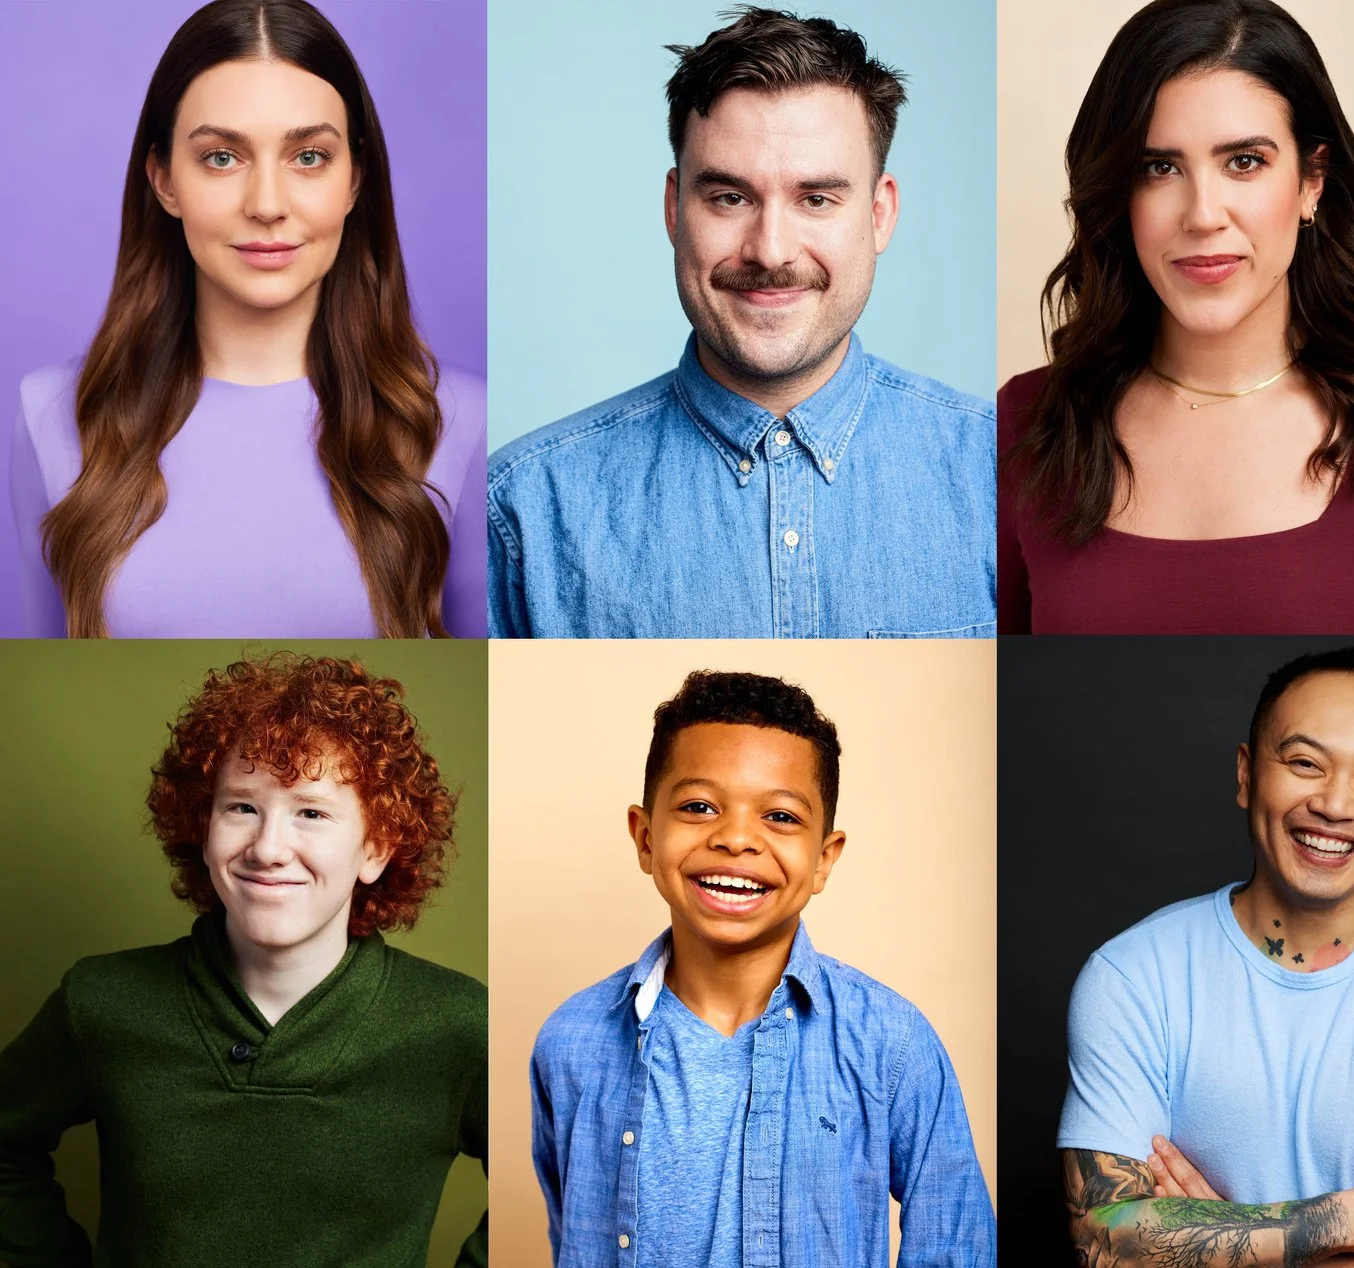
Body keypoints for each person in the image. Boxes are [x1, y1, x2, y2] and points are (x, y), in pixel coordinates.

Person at [1000, 0, 1354, 635]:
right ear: (1120, 196)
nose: (1203, 214)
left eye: (1244, 162)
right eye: (1160, 168)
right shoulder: (1021, 427)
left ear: (1312, 181)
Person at [489, 8, 995, 639]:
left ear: (880, 214)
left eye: (816, 198)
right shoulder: (525, 507)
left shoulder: (999, 468)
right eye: (730, 197)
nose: (771, 250)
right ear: (675, 209)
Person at [10, 0, 486, 639]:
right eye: (221, 158)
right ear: (163, 180)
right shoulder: (48, 414)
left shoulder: (463, 421)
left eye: (309, 157)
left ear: (355, 180)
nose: (267, 205)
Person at [0, 653, 485, 1266]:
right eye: (242, 807)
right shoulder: (99, 1001)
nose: (269, 848)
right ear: (202, 829)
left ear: (376, 848)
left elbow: (558, 1172)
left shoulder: (458, 1024)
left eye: (311, 812)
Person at [530, 670, 994, 1267]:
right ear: (645, 837)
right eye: (699, 807)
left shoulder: (892, 1044)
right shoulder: (570, 1041)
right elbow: (572, 1231)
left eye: (779, 816)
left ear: (825, 859)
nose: (736, 838)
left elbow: (958, 1249)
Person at [1058, 645, 1354, 1265]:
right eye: (1304, 763)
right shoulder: (1131, 977)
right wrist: (1339, 1221)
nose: (1336, 805)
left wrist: (1217, 1242)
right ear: (1247, 773)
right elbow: (1104, 1243)